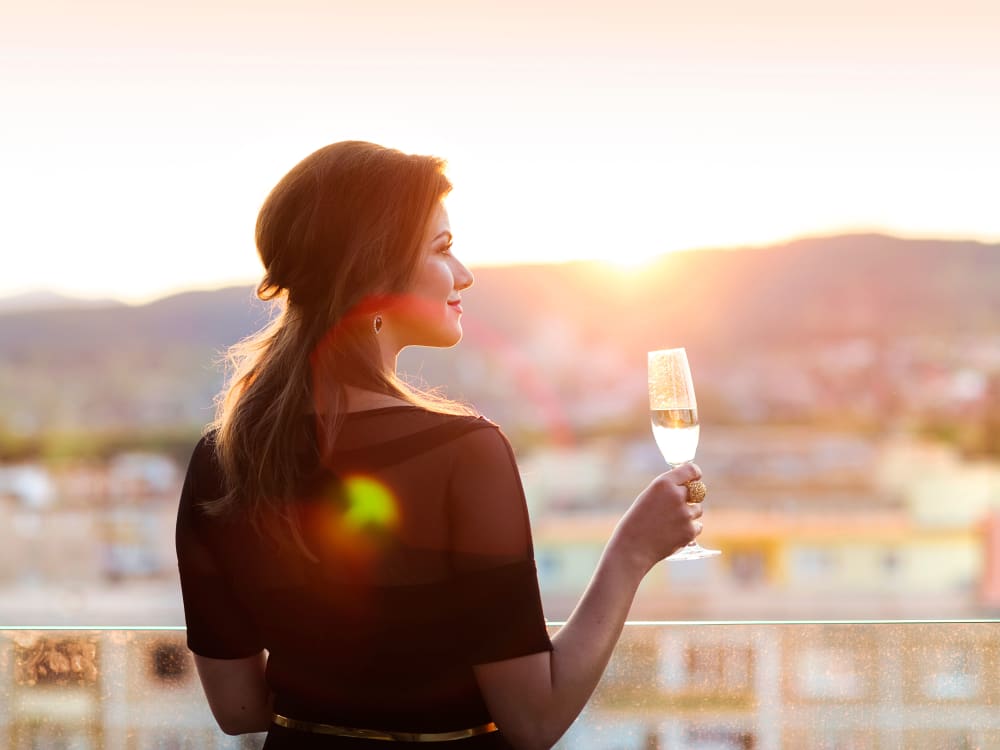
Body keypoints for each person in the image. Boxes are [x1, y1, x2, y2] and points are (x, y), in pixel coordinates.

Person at [175, 140, 706, 749]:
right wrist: (631, 554)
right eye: (443, 248)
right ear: (374, 272)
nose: (465, 274)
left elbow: (239, 708)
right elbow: (534, 720)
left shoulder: (222, 457)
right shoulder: (464, 453)